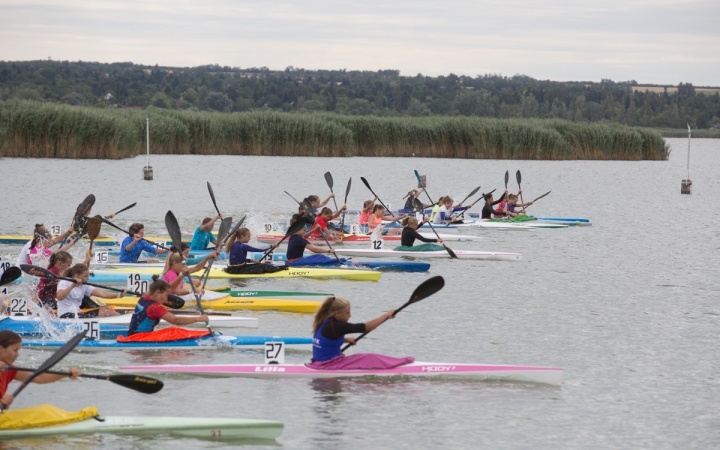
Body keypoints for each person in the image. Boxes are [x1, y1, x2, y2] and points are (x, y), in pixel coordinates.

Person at [307, 296, 414, 370]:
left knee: (366, 357)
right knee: (369, 357)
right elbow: (366, 328)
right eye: (347, 312)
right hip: (328, 365)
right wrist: (386, 315)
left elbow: (325, 338)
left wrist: (345, 339)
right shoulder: (337, 326)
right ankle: (401, 363)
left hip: (318, 362)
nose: (350, 315)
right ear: (337, 314)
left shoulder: (324, 321)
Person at [0, 330, 82, 410]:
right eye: (15, 350)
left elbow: (40, 377)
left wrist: (66, 374)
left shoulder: (9, 368)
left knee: (46, 409)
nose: (17, 355)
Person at [126, 277, 210, 336]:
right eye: (166, 295)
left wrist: (181, 275)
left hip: (132, 334)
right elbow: (176, 320)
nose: (167, 299)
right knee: (174, 330)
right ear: (158, 292)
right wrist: (199, 318)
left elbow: (166, 287)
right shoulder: (155, 307)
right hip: (140, 338)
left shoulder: (145, 296)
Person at [56, 264, 123, 318]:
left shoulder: (84, 285)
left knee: (107, 310)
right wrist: (73, 285)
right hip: (65, 315)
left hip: (77, 314)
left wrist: (119, 295)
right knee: (95, 317)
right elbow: (59, 297)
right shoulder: (65, 281)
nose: (88, 278)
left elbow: (102, 293)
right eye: (85, 276)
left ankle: (123, 322)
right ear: (77, 275)